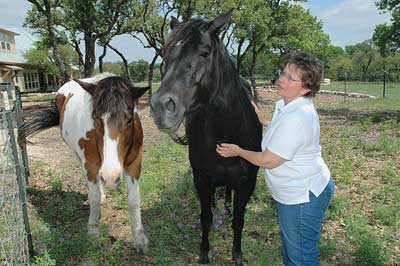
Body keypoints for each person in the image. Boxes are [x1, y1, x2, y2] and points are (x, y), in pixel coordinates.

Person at [216, 52, 334, 266]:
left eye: (290, 78)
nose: (281, 79)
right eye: (283, 73)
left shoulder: (297, 117)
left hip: (302, 197)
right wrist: (264, 121)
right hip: (295, 192)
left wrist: (238, 151)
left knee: (302, 258)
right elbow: (284, 135)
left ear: (306, 88)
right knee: (291, 252)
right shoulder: (289, 105)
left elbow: (268, 160)